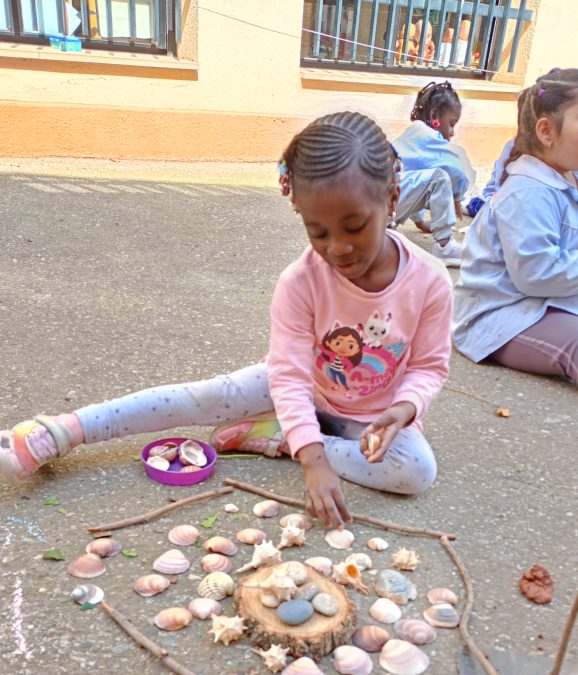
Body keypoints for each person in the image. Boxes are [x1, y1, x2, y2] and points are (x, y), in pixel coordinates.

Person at [0, 112, 453, 527]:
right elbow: (288, 377)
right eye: (317, 231)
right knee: (204, 397)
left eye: (355, 227)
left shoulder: (430, 281)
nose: (337, 248)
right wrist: (314, 463)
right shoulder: (301, 281)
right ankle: (64, 430)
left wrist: (404, 409)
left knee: (416, 471)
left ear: (392, 199)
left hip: (370, 416)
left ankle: (282, 437)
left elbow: (429, 367)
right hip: (298, 387)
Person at [454, 68, 578, 384]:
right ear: (547, 131)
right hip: (503, 317)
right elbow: (537, 275)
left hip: (550, 303)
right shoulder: (528, 192)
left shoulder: (568, 176)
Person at [393, 80, 474, 267]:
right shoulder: (429, 136)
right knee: (440, 177)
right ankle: (445, 248)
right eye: (452, 124)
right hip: (383, 201)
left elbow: (413, 184)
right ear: (434, 115)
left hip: (374, 205)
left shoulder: (412, 134)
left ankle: (386, 229)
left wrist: (420, 223)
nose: (452, 132)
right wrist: (457, 196)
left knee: (428, 178)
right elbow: (458, 165)